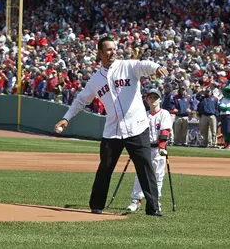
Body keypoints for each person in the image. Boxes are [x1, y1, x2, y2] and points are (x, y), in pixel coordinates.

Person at [54, 36, 168, 217]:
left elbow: (144, 65)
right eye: (108, 49)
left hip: (137, 127)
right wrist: (66, 118)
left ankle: (153, 208)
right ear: (100, 53)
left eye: (114, 48)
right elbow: (81, 100)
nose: (113, 51)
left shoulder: (128, 66)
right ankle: (96, 205)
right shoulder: (95, 80)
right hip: (113, 130)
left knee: (145, 168)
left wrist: (156, 68)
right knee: (105, 168)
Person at [126, 88, 171, 212]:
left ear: (160, 100)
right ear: (146, 100)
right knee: (140, 174)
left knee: (158, 176)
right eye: (150, 97)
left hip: (158, 149)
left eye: (155, 98)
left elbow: (165, 130)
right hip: (144, 148)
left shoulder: (164, 114)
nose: (153, 100)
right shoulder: (143, 115)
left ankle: (155, 200)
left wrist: (162, 146)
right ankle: (136, 200)